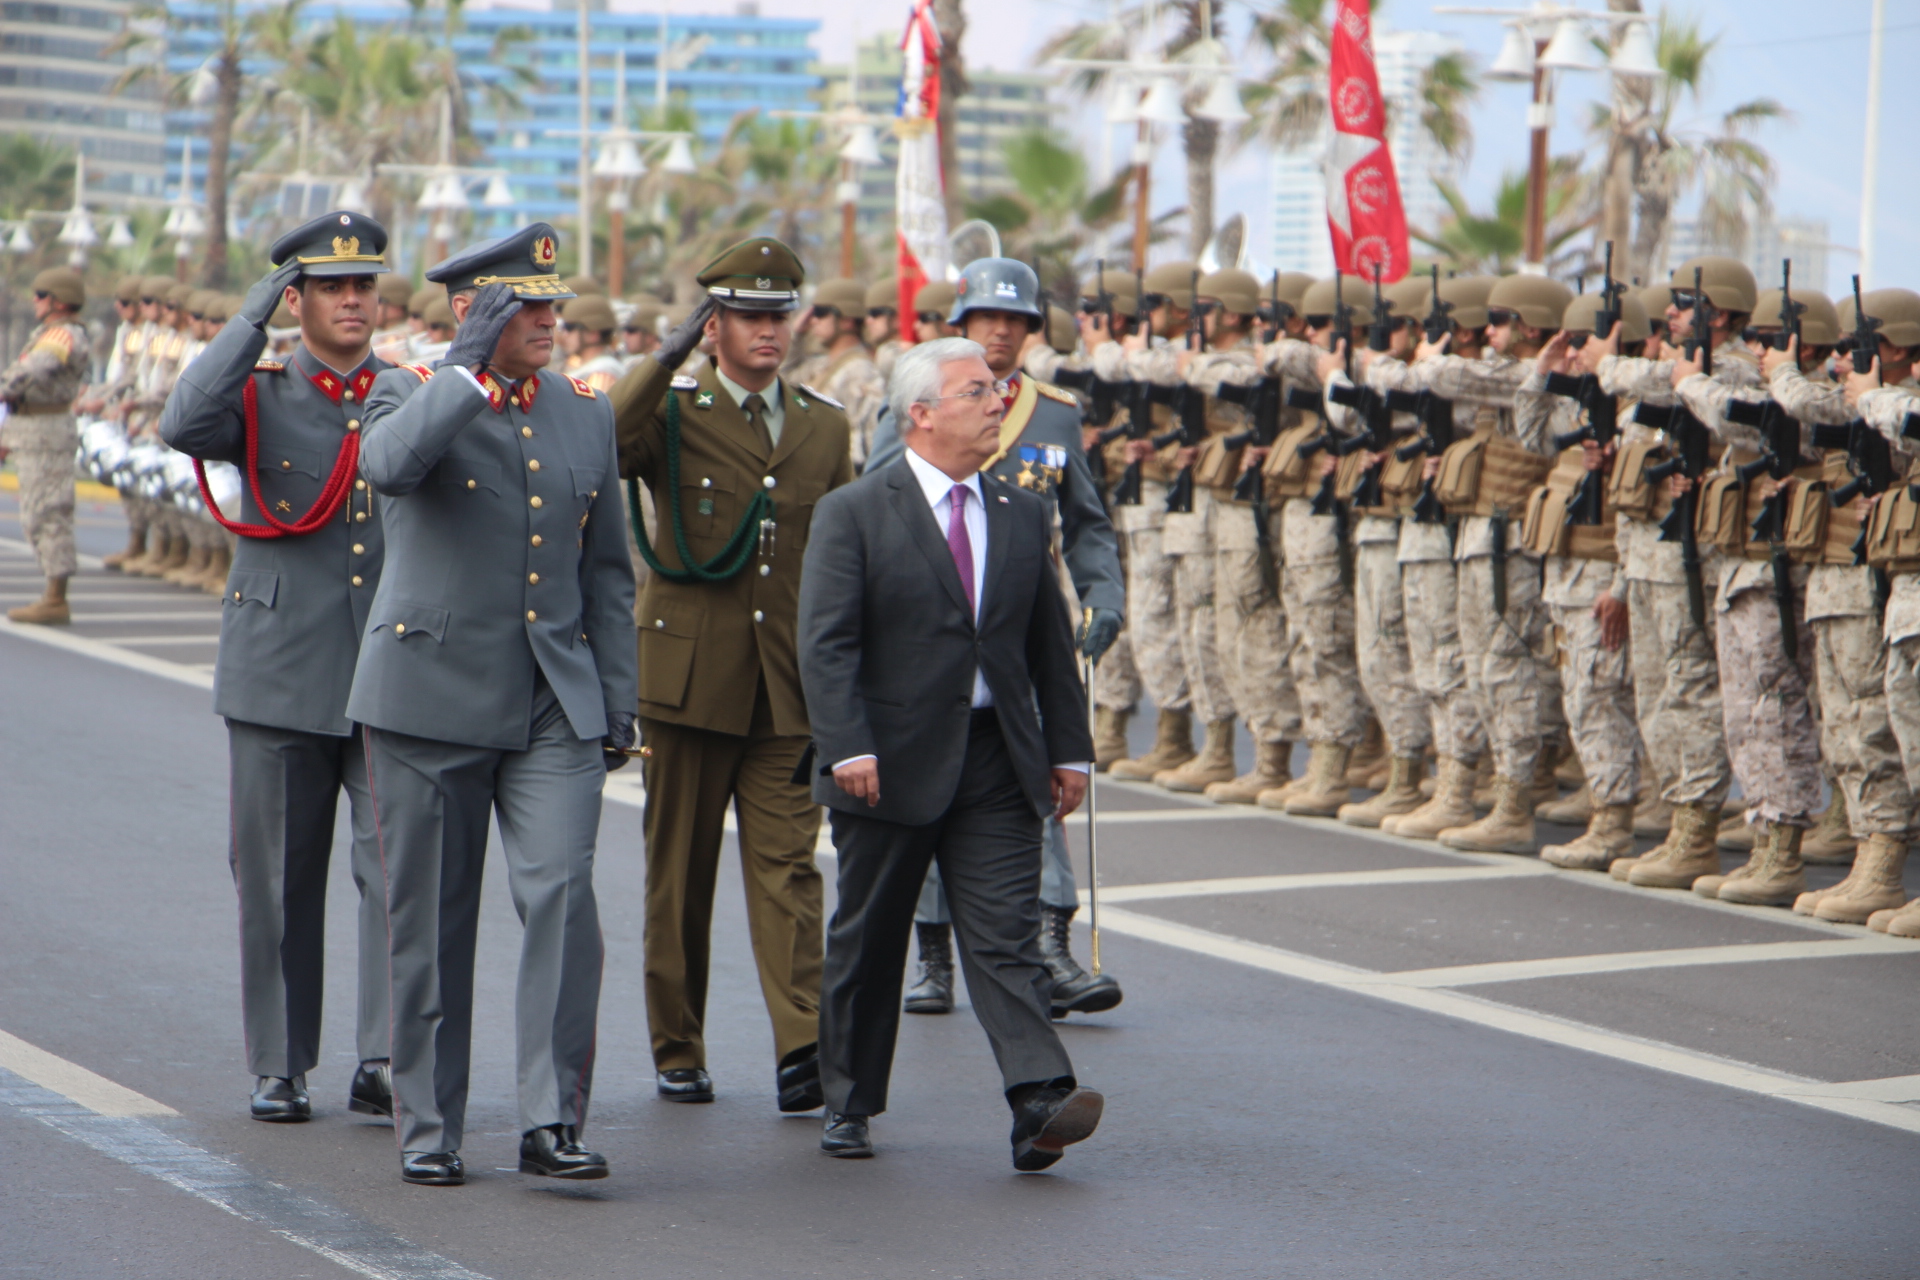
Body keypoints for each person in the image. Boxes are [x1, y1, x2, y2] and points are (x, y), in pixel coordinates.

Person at [353, 223, 638, 1186]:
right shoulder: (408, 391)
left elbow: (608, 571)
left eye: (555, 305)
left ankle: (551, 1119)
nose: (551, 322)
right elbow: (388, 468)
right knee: (433, 919)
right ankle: (430, 1126)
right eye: (528, 308)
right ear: (473, 313)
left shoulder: (584, 410)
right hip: (428, 694)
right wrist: (464, 370)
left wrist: (619, 698)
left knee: (562, 896)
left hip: (553, 697)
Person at [798, 335, 1102, 1168]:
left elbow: (1046, 646)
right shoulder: (855, 510)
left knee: (1005, 936)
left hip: (995, 758)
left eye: (997, 389)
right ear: (921, 414)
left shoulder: (1020, 511)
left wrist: (1069, 750)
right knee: (871, 937)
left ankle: (1039, 1101)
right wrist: (846, 745)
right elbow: (826, 645)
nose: (999, 401)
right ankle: (849, 1100)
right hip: (885, 763)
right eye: (977, 391)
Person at [159, 212, 398, 1125]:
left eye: (364, 285)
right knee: (277, 878)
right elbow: (184, 421)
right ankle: (281, 1062)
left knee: (398, 875)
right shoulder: (257, 394)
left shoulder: (405, 393)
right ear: (297, 300)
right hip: (280, 668)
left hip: (389, 673)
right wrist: (251, 317)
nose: (352, 301)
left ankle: (386, 1054)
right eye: (331, 287)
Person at [609, 236, 853, 1113]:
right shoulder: (674, 408)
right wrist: (666, 355)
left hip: (786, 686)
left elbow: (840, 556)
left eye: (778, 314)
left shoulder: (824, 424)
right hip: (687, 681)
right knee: (679, 876)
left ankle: (803, 1047)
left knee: (790, 872)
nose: (768, 330)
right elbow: (606, 438)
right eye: (748, 315)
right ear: (714, 325)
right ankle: (678, 1045)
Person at [864, 257, 1125, 1019]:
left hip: (1018, 627)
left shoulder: (1055, 414)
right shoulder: (915, 401)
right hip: (928, 623)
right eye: (987, 319)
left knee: (1034, 777)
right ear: (963, 325)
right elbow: (875, 505)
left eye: (1015, 320)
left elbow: (1087, 523)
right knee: (929, 782)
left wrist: (1103, 597)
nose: (1002, 332)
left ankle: (1051, 945)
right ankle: (933, 956)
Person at [1, 267, 90, 624]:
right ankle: (53, 593)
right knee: (36, 514)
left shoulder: (61, 335)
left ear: (59, 301)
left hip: (47, 433)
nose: (34, 301)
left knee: (49, 513)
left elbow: (32, 373)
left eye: (41, 295)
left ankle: (56, 599)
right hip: (33, 429)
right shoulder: (49, 333)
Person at [791, 277, 886, 466]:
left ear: (847, 321)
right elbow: (784, 379)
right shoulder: (822, 364)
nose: (813, 320)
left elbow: (862, 444)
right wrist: (797, 335)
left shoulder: (860, 372)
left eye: (820, 313)